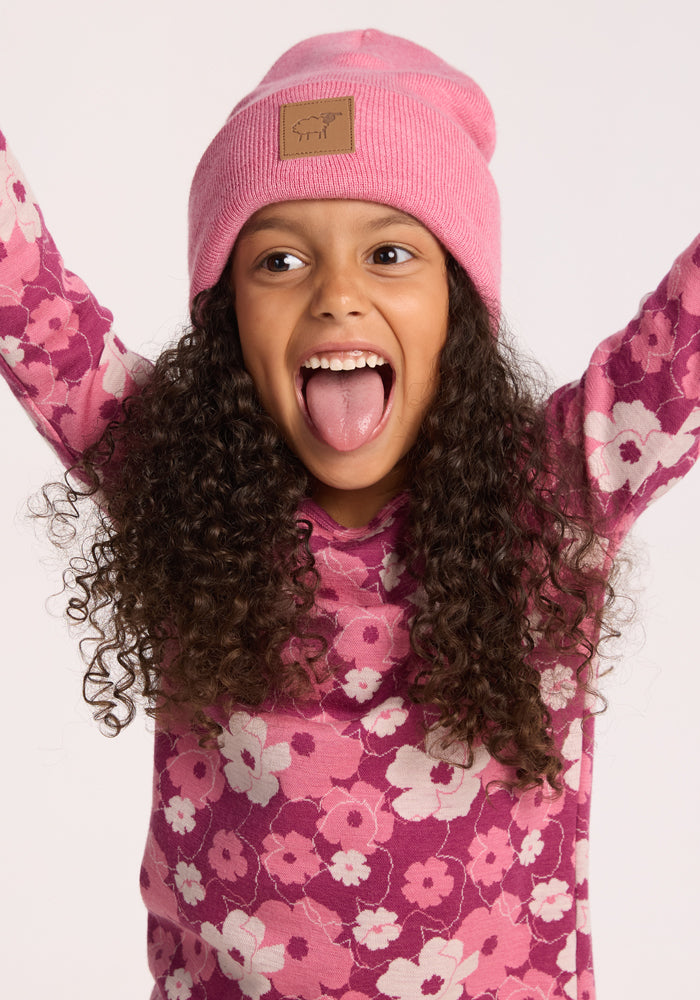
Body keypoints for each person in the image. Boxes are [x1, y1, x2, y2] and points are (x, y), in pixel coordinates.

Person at [1, 27, 698, 1000]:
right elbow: (21, 290)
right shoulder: (176, 482)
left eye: (389, 253)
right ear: (225, 316)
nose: (336, 294)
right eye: (280, 261)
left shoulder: (548, 493)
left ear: (456, 305)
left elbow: (685, 342)